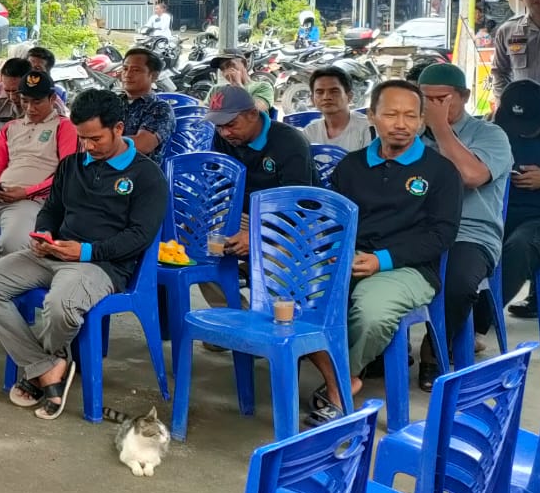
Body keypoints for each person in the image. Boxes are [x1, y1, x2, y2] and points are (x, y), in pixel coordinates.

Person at [0, 88, 169, 419]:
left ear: (118, 128)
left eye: (95, 139)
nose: (88, 147)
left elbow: (139, 237)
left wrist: (86, 251)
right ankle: (46, 366)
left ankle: (43, 370)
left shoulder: (147, 176)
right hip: (55, 252)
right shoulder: (71, 165)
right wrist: (44, 233)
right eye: (82, 139)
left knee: (60, 305)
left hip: (103, 265)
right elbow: (52, 209)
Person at [305, 81, 463, 425]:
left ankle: (340, 383)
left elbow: (442, 234)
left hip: (410, 268)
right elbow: (336, 220)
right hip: (352, 257)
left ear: (422, 120)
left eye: (410, 115)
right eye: (391, 114)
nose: (401, 123)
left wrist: (383, 260)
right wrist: (335, 251)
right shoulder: (352, 166)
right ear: (372, 116)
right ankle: (340, 380)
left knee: (372, 312)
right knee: (295, 294)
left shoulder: (441, 172)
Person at [416, 62, 513, 390]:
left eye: (440, 99)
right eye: (424, 99)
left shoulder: (491, 134)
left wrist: (442, 129)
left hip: (471, 233)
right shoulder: (415, 135)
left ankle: (435, 349)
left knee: (455, 282)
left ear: (465, 96)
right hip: (418, 229)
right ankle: (378, 351)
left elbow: (472, 177)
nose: (430, 107)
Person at [0, 71, 76, 256]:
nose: (30, 108)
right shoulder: (11, 127)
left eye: (37, 102)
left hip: (31, 201)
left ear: (52, 99)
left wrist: (26, 192)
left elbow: (65, 174)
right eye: (25, 101)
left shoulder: (64, 126)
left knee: (12, 246)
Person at [205, 85, 317, 255]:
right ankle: (234, 277)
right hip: (246, 216)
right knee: (206, 248)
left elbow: (299, 203)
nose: (225, 133)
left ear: (252, 114)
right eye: (219, 126)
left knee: (273, 264)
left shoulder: (290, 142)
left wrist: (257, 234)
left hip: (296, 221)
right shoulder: (224, 138)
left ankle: (253, 275)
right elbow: (217, 185)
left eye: (231, 124)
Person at [494, 80, 540, 319]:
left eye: (529, 124)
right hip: (503, 212)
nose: (521, 130)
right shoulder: (499, 128)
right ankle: (459, 312)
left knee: (520, 247)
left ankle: (480, 319)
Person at [119, 47, 176, 162]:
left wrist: (100, 141)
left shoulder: (160, 108)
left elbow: (143, 144)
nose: (127, 74)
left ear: (154, 76)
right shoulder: (113, 102)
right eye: (125, 69)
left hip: (138, 175)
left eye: (135, 70)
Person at [302, 66, 374, 151]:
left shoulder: (368, 128)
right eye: (320, 92)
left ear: (349, 96)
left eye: (334, 91)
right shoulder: (310, 131)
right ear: (312, 99)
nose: (326, 97)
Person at [207, 51, 274, 113]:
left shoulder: (263, 86)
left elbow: (256, 110)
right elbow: (203, 111)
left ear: (244, 64)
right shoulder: (216, 89)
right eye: (222, 69)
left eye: (230, 65)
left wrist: (238, 86)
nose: (226, 71)